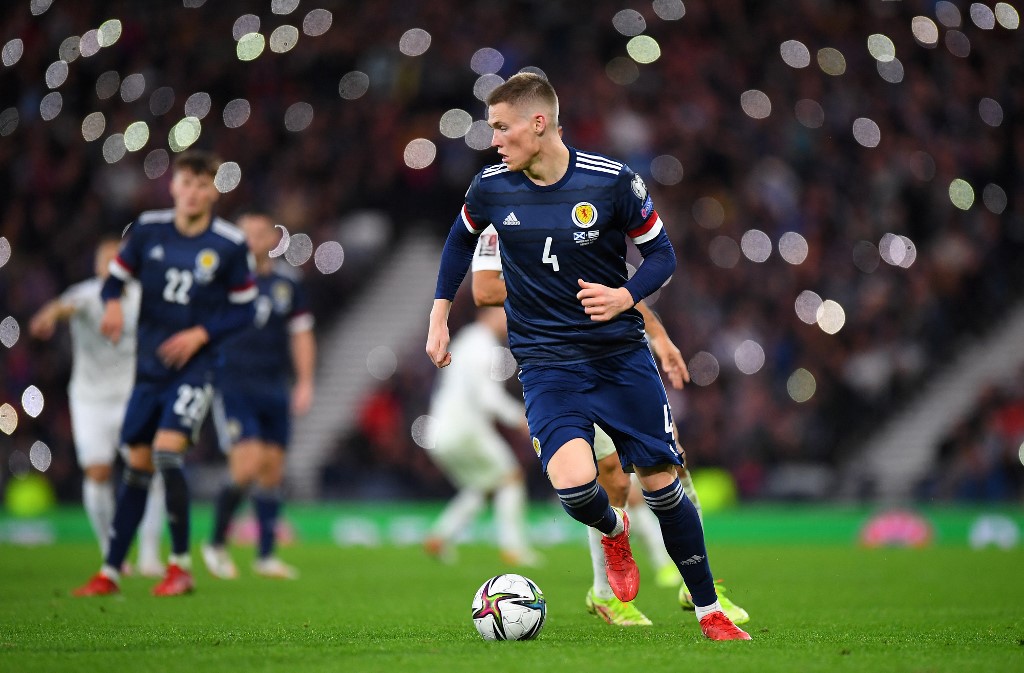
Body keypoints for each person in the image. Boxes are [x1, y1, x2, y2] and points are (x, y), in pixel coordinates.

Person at [425, 72, 750, 640]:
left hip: (620, 358)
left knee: (660, 479)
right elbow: (459, 240)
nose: (494, 140)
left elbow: (661, 256)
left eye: (502, 128)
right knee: (576, 485)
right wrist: (438, 316)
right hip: (547, 364)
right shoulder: (492, 188)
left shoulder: (612, 183)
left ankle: (709, 610)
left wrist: (626, 296)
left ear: (539, 122)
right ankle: (614, 533)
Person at [472, 226, 750, 627]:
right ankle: (605, 594)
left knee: (672, 466)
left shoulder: (576, 211)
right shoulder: (500, 220)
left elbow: (618, 290)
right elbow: (485, 291)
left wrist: (658, 335)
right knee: (611, 482)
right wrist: (547, 283)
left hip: (617, 364)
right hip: (562, 371)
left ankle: (694, 587)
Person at [73, 150, 257, 597]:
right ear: (173, 186)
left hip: (195, 369)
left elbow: (246, 310)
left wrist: (200, 334)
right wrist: (113, 303)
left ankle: (179, 567)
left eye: (202, 184)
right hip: (149, 371)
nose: (193, 192)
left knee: (166, 453)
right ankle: (111, 572)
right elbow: (114, 278)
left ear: (214, 191)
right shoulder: (148, 230)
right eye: (186, 183)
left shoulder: (229, 244)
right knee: (136, 467)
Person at [29, 239, 166, 578]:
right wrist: (47, 315)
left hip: (133, 395)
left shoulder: (142, 297)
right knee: (98, 472)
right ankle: (111, 552)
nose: (112, 265)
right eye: (106, 259)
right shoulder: (87, 295)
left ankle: (150, 554)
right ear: (96, 266)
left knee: (148, 469)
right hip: (90, 400)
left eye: (119, 259)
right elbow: (63, 307)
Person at [201, 212, 316, 581]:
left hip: (273, 385)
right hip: (233, 383)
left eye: (259, 233)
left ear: (272, 238)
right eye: (245, 233)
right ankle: (216, 542)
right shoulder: (223, 280)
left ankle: (265, 555)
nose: (252, 239)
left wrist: (305, 382)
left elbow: (301, 333)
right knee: (247, 464)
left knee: (272, 470)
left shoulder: (287, 282)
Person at [421, 305, 540, 567]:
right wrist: (521, 418)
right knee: (511, 477)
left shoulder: (466, 339)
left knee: (484, 484)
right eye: (504, 312)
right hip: (466, 428)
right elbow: (488, 398)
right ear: (488, 314)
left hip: (440, 429)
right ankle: (513, 548)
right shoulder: (484, 346)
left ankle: (440, 536)